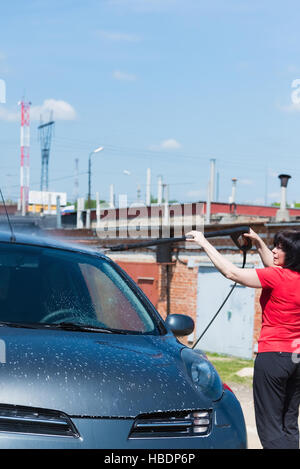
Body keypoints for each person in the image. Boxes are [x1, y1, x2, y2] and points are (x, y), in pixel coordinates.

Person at [186, 228, 300, 449]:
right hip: (296, 360)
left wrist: (204, 243)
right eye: (275, 246)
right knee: (289, 424)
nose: (275, 251)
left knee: (271, 429)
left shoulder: (276, 277)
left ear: (293, 255)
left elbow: (232, 273)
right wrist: (257, 241)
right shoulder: (292, 277)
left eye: (281, 248)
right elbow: (273, 263)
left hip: (274, 358)